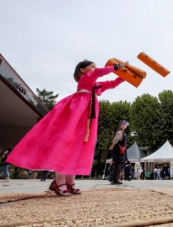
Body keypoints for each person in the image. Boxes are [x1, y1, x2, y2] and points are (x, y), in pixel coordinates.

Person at [7, 60, 127, 196]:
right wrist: (116, 67)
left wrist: (124, 76)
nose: (95, 68)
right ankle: (60, 182)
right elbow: (99, 72)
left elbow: (111, 84)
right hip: (76, 114)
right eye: (92, 66)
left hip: (86, 117)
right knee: (65, 146)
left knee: (77, 147)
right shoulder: (85, 79)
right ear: (82, 70)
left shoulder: (94, 85)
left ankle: (70, 182)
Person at [109, 120, 129, 185]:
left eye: (125, 124)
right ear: (120, 125)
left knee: (119, 165)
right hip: (119, 150)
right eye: (123, 124)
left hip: (121, 150)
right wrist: (112, 145)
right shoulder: (120, 132)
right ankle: (115, 179)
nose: (124, 125)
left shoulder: (123, 133)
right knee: (118, 165)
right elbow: (116, 139)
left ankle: (113, 178)